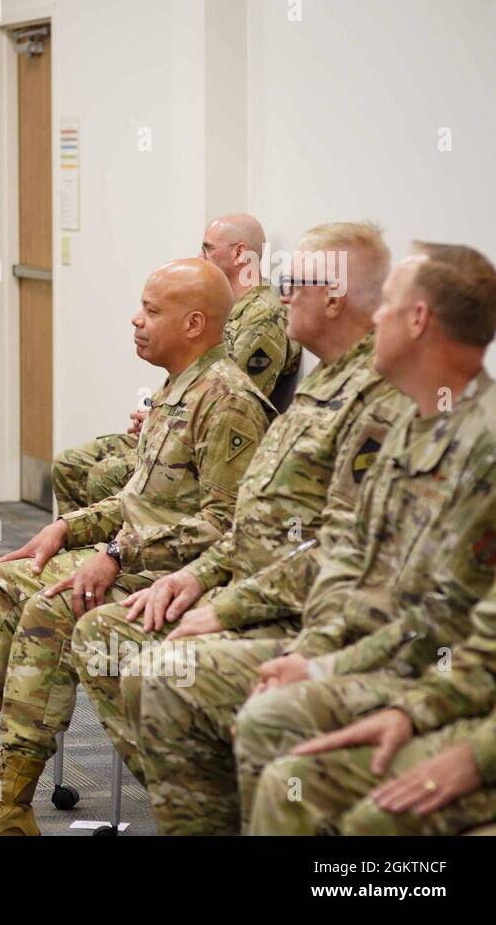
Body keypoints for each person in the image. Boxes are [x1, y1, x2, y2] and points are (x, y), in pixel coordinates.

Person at [0, 258, 271, 835]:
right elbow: (141, 499)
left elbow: (227, 524)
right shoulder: (178, 388)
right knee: (2, 581)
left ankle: (9, 802)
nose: (136, 320)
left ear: (194, 324)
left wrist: (117, 553)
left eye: (152, 311)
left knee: (52, 610)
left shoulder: (227, 399)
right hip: (136, 556)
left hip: (179, 575)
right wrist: (71, 527)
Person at [134, 242, 496, 833]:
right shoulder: (412, 424)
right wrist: (317, 652)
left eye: (389, 306)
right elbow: (352, 557)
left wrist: (322, 664)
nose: (375, 316)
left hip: (427, 673)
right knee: (195, 687)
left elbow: (439, 622)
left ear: (418, 321)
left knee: (277, 749)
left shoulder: (478, 442)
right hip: (378, 649)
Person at [73, 222, 397, 783]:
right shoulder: (324, 386)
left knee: (147, 661)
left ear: (336, 295)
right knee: (102, 631)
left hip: (303, 618)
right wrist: (196, 577)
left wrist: (227, 605)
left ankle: (213, 800)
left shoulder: (376, 403)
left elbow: (340, 553)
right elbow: (254, 523)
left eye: (294, 279)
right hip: (249, 586)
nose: (281, 291)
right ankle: (197, 798)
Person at [51, 213, 301, 512]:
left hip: (207, 444)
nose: (200, 255)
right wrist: (156, 413)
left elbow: (227, 398)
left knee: (104, 477)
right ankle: (79, 551)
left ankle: (120, 553)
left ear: (239, 253)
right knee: (69, 464)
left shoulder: (263, 317)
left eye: (208, 248)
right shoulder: (218, 304)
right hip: (175, 423)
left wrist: (163, 419)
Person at [251, 579, 496, 835]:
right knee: (290, 780)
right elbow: (484, 655)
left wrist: (479, 756)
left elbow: (447, 615)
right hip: (416, 672)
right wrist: (409, 713)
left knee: (378, 818)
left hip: (429, 678)